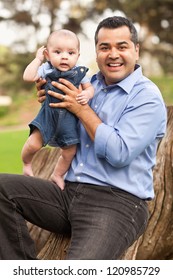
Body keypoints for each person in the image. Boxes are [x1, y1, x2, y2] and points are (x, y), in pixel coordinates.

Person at [0, 16, 167, 260]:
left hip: (117, 203)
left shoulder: (147, 97)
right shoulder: (87, 84)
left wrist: (81, 109)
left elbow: (119, 153)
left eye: (122, 46)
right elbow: (62, 126)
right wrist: (50, 98)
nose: (113, 54)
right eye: (104, 47)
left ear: (136, 50)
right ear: (96, 52)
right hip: (69, 193)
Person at [22, 29, 94, 189]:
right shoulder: (46, 68)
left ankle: (58, 174)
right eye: (58, 52)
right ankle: (27, 163)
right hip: (47, 115)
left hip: (68, 119)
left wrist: (87, 95)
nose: (64, 56)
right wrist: (37, 59)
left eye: (70, 52)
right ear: (48, 54)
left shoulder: (80, 72)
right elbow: (28, 77)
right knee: (33, 145)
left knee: (69, 150)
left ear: (78, 56)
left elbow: (89, 88)